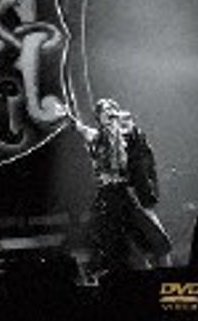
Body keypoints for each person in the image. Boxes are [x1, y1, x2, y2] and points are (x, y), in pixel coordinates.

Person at [69, 98, 172, 276]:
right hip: (108, 196)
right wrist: (65, 112)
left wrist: (128, 128)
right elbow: (77, 126)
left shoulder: (128, 134)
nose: (109, 112)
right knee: (122, 248)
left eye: (112, 109)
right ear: (99, 117)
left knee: (157, 240)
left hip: (128, 193)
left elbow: (142, 160)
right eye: (104, 110)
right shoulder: (95, 136)